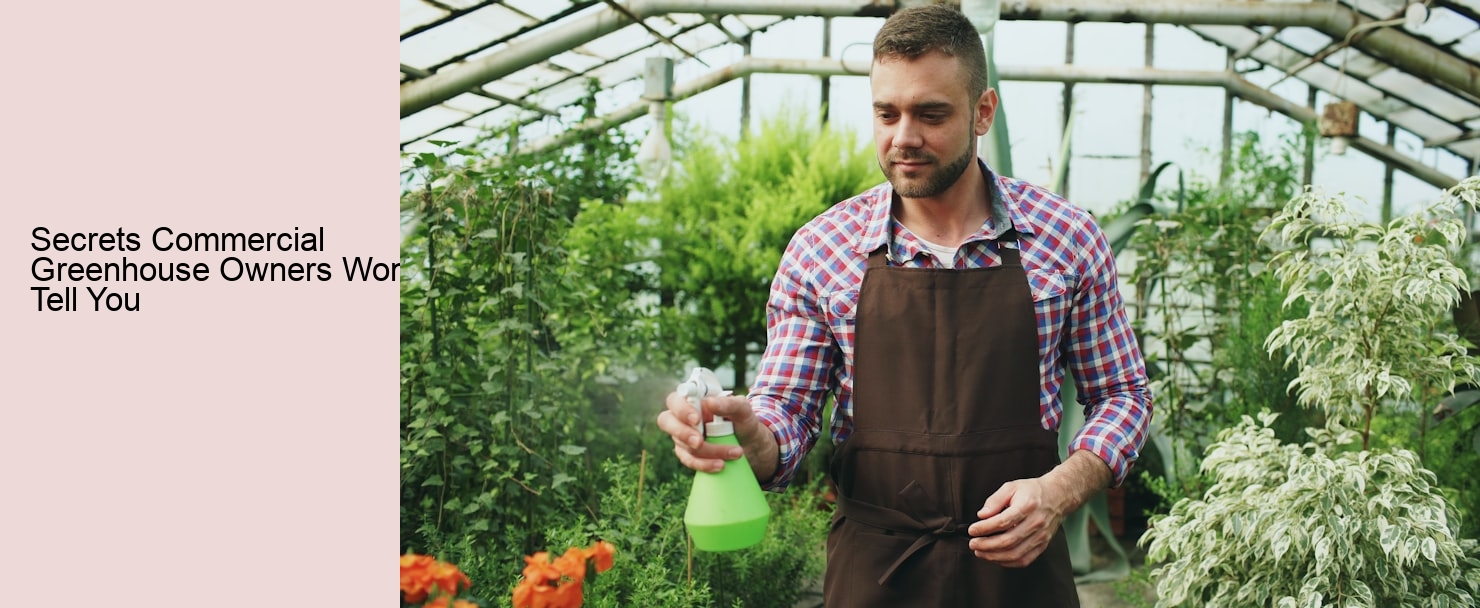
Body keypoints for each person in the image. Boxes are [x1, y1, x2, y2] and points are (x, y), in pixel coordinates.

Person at [656, 5, 1152, 606]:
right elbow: (786, 413)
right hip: (876, 577)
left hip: (1020, 576)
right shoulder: (822, 250)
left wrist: (1060, 490)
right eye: (886, 113)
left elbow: (1123, 395)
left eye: (931, 114)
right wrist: (746, 438)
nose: (903, 137)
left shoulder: (1066, 238)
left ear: (982, 112)